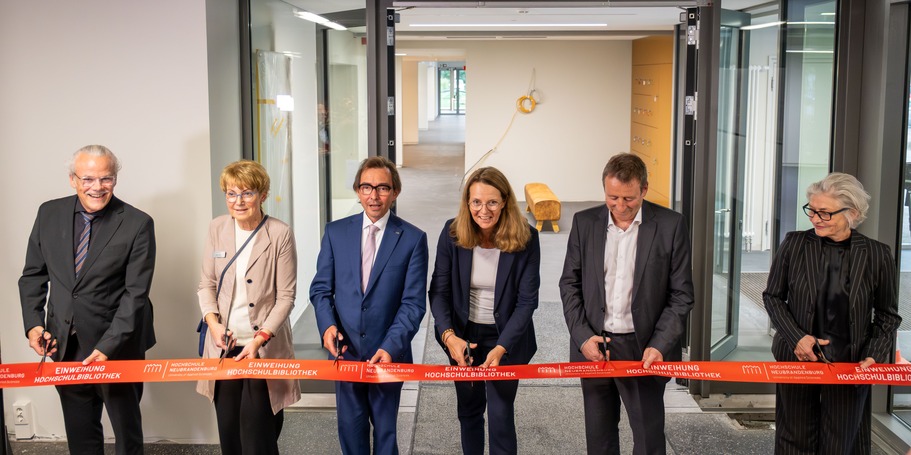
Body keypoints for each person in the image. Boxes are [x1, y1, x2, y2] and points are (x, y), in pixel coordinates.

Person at [19, 145, 156, 455]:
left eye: (106, 178)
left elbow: (136, 295)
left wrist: (108, 346)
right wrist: (33, 326)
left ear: (116, 180)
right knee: (80, 433)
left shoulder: (137, 223)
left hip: (118, 344)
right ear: (72, 179)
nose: (97, 187)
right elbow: (33, 276)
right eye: (88, 178)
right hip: (65, 342)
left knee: (126, 434)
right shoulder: (48, 213)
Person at [560, 152, 694, 455]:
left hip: (644, 348)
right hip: (594, 346)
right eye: (613, 197)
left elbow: (681, 293)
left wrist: (660, 344)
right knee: (599, 438)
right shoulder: (584, 222)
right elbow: (569, 283)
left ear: (644, 190)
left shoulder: (671, 225)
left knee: (648, 440)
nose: (620, 207)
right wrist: (582, 338)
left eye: (629, 199)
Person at [764, 172, 900, 454]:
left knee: (841, 443)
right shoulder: (794, 244)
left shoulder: (877, 254)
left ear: (852, 213)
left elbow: (888, 315)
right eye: (811, 210)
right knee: (794, 440)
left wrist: (873, 354)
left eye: (824, 212)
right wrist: (797, 338)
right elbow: (773, 297)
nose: (814, 218)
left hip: (851, 365)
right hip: (797, 358)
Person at [310, 156, 428, 455]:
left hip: (389, 355)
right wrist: (328, 327)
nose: (374, 196)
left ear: (395, 192)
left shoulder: (413, 239)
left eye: (382, 188)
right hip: (345, 353)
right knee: (350, 434)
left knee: (386, 436)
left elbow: (413, 304)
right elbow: (321, 290)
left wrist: (390, 347)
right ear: (357, 190)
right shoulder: (336, 233)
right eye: (366, 187)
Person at [429, 167, 541, 455]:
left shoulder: (526, 237)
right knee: (469, 411)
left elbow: (527, 302)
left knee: (501, 415)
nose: (484, 210)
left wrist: (503, 346)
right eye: (476, 202)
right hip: (463, 336)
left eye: (492, 202)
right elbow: (439, 292)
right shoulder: (452, 232)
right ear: (467, 202)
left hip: (507, 338)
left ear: (505, 201)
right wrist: (449, 336)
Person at [196, 160, 300, 455]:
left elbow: (286, 297)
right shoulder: (217, 227)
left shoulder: (279, 233)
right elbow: (206, 285)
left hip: (261, 348)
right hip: (223, 349)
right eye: (231, 194)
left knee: (258, 441)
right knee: (230, 438)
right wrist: (213, 325)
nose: (238, 201)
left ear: (262, 195)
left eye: (247, 193)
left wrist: (259, 339)